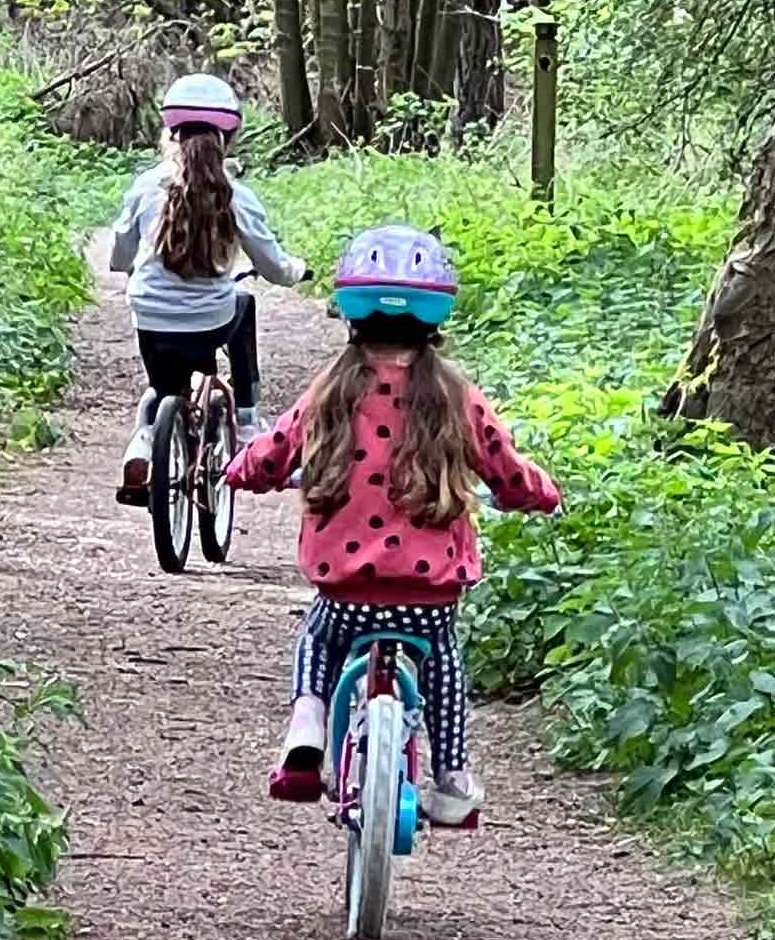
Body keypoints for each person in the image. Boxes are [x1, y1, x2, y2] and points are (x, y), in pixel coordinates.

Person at [224, 225, 561, 827]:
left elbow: (274, 451)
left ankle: (307, 727)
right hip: (427, 596)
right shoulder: (456, 397)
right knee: (443, 664)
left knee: (318, 642)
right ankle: (452, 778)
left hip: (346, 590)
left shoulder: (330, 391)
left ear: (353, 315)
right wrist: (538, 494)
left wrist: (242, 471)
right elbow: (505, 467)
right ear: (436, 319)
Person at [106, 73, 308, 504]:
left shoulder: (146, 187)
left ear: (171, 133)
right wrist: (298, 271)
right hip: (210, 323)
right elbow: (273, 267)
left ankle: (142, 443)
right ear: (227, 138)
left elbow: (119, 254)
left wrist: (129, 266)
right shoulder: (237, 196)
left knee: (162, 389)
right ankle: (248, 420)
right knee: (243, 302)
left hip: (152, 320)